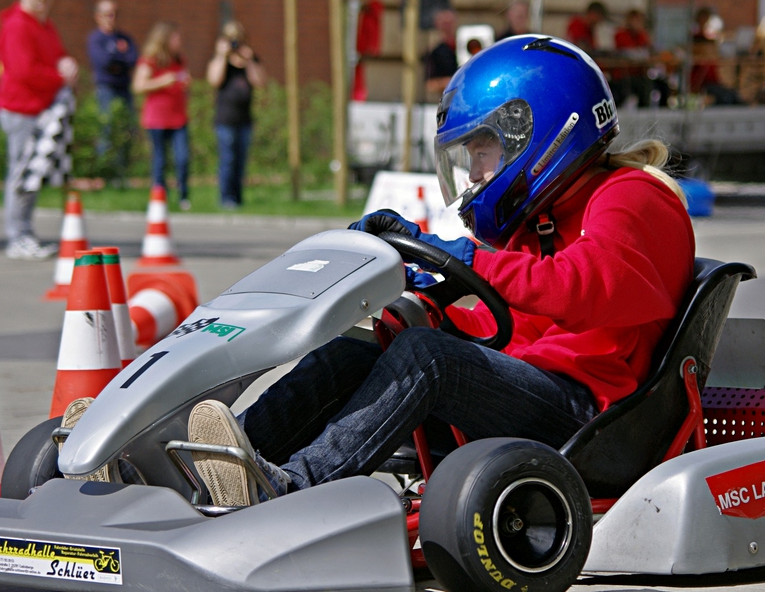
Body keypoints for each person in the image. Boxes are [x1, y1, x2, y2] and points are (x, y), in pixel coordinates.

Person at [179, 35, 695, 506]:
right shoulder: (545, 217)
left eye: (483, 152)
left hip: (593, 417)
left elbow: (591, 286)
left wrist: (471, 261)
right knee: (365, 344)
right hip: (540, 387)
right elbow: (515, 330)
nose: (473, 175)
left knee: (430, 358)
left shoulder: (632, 197)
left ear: (533, 131)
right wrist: (419, 301)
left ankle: (288, 488)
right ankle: (206, 468)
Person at [0, 0, 78, 260]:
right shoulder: (18, 25)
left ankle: (24, 232)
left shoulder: (45, 25)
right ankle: (17, 237)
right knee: (21, 175)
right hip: (21, 110)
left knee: (31, 175)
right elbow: (23, 70)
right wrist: (60, 77)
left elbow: (55, 58)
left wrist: (66, 65)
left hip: (39, 109)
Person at [132, 22, 191, 210]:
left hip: (178, 118)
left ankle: (183, 196)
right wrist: (163, 81)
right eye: (176, 37)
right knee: (160, 159)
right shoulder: (151, 59)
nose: (179, 41)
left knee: (182, 157)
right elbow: (139, 86)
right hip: (157, 119)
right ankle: (159, 197)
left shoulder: (179, 59)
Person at [207, 20, 265, 209]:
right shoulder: (220, 59)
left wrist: (248, 60)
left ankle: (238, 198)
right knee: (227, 160)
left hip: (244, 120)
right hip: (225, 120)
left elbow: (260, 82)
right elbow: (214, 80)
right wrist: (222, 56)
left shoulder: (250, 59)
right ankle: (226, 198)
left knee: (240, 162)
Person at [87, 0, 138, 173]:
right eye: (108, 14)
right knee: (106, 129)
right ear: (98, 16)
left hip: (124, 88)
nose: (112, 18)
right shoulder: (96, 39)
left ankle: (122, 172)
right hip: (106, 89)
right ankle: (105, 171)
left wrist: (116, 62)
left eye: (114, 14)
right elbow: (103, 62)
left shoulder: (124, 38)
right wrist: (118, 60)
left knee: (126, 129)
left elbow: (132, 59)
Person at [614, 9, 655, 107]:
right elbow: (625, 53)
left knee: (654, 84)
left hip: (639, 74)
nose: (638, 24)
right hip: (624, 75)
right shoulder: (620, 34)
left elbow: (648, 51)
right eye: (635, 20)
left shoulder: (642, 35)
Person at [425, 9, 458, 96]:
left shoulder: (463, 44)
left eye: (450, 23)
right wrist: (454, 81)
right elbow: (430, 84)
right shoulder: (436, 52)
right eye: (445, 24)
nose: (448, 27)